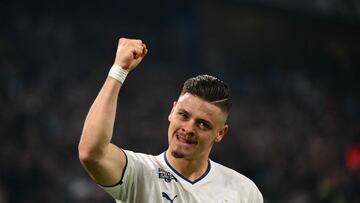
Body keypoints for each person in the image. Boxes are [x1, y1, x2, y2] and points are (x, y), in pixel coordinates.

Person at [78, 37, 263, 203]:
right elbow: (92, 152)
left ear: (220, 133)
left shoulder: (244, 192)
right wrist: (118, 71)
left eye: (203, 124)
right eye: (183, 115)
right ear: (172, 111)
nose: (188, 128)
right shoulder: (141, 174)